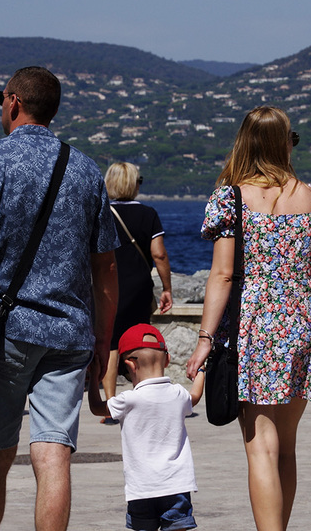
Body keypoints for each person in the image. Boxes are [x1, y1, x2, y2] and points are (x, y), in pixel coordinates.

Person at [0, 66, 120, 531]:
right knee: (54, 453)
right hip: (69, 333)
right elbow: (105, 268)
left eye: (3, 99)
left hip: (6, 333)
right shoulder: (85, 170)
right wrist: (102, 342)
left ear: (14, 102)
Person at [185, 105, 311, 531]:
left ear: (246, 141)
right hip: (304, 322)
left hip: (255, 326)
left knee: (260, 447)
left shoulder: (231, 197)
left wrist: (204, 339)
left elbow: (222, 274)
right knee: (287, 446)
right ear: (285, 142)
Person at [89, 324, 204, 531]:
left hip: (141, 488)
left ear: (130, 367)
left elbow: (97, 408)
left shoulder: (128, 399)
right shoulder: (177, 394)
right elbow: (194, 397)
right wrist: (201, 372)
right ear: (167, 361)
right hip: (176, 486)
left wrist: (95, 376)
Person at [100, 162, 174, 424]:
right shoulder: (148, 214)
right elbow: (159, 253)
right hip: (139, 288)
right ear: (133, 184)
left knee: (109, 344)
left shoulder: (101, 212)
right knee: (140, 343)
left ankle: (110, 405)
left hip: (107, 287)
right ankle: (140, 400)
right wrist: (166, 287)